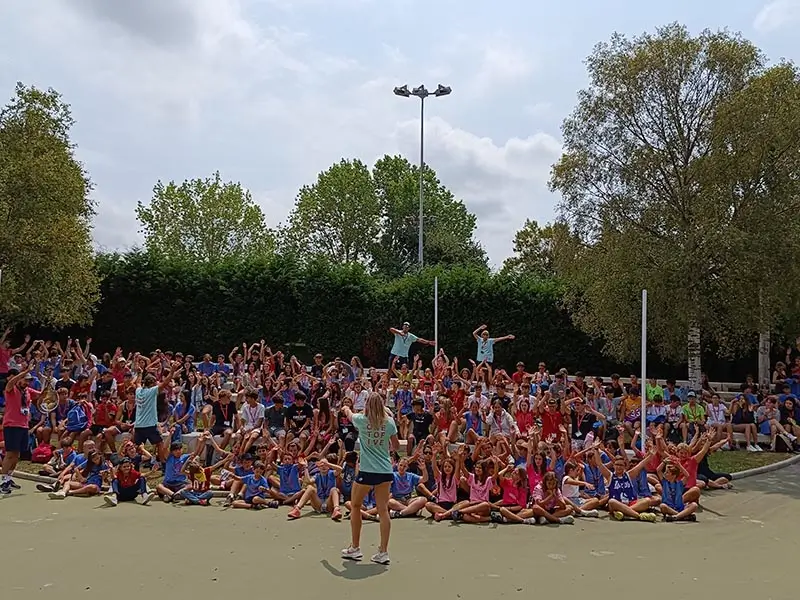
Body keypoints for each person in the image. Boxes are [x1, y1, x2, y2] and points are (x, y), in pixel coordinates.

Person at [341, 391, 399, 565]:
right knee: (383, 509)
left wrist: (345, 407)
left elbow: (349, 414)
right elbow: (395, 446)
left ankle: (355, 548)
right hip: (385, 470)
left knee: (356, 505)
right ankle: (383, 551)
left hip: (367, 470)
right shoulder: (389, 422)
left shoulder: (361, 420)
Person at [1, 364, 41, 494]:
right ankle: (2, 482)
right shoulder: (11, 389)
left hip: (23, 425)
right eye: (25, 379)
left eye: (28, 380)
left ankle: (9, 478)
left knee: (17, 455)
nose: (26, 382)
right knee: (9, 454)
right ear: (20, 379)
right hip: (11, 425)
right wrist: (24, 372)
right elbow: (11, 382)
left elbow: (43, 394)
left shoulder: (28, 391)